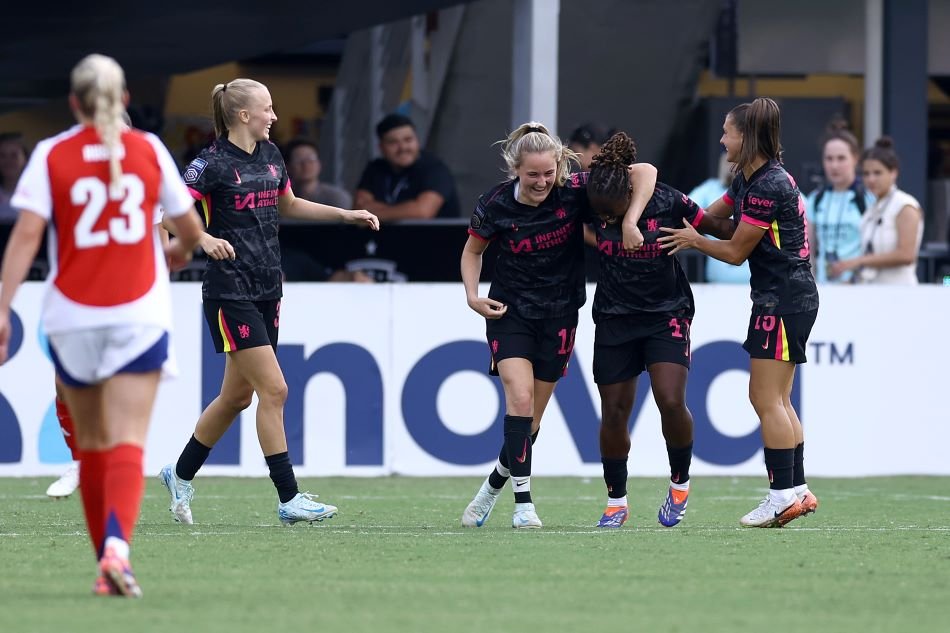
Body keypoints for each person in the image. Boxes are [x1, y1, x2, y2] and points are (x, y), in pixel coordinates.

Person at [0, 54, 203, 596]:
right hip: (138, 313)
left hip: (71, 315)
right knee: (128, 442)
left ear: (73, 102)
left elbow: (24, 237)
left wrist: (2, 307)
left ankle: (107, 566)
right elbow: (190, 231)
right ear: (125, 99)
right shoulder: (148, 150)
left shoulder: (51, 154)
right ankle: (118, 549)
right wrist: (175, 256)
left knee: (90, 446)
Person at [158, 78, 379, 527]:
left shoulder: (272, 156)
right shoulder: (211, 164)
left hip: (266, 288)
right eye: (268, 109)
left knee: (235, 398)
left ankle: (178, 474)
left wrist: (344, 215)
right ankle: (289, 498)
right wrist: (201, 237)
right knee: (274, 390)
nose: (274, 117)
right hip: (228, 292)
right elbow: (168, 217)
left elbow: (289, 205)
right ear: (244, 115)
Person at [459, 121, 657, 529]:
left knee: (529, 425)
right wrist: (472, 295)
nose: (542, 182)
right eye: (533, 174)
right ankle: (523, 506)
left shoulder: (572, 188)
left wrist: (631, 220)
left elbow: (644, 172)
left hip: (561, 315)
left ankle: (490, 489)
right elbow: (472, 252)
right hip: (510, 315)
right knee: (520, 401)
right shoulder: (495, 204)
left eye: (548, 173)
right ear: (515, 169)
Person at [658, 97, 819, 528]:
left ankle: (781, 495)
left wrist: (691, 240)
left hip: (783, 298)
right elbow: (711, 216)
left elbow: (733, 251)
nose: (723, 139)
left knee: (765, 398)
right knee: (778, 399)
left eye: (728, 132)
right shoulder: (749, 178)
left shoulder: (768, 185)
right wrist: (668, 210)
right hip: (784, 297)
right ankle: (797, 489)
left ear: (746, 137)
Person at [585, 132, 733, 528]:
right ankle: (616, 501)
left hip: (665, 312)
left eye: (612, 217)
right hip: (615, 316)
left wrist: (754, 226)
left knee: (670, 399)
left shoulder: (667, 199)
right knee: (614, 413)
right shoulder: (594, 191)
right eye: (601, 220)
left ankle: (680, 484)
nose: (605, 223)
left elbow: (716, 226)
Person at [829, 137, 923, 285]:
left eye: (878, 173)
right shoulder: (872, 208)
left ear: (893, 173)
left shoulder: (905, 205)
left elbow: (906, 255)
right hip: (873, 294)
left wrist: (857, 261)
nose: (871, 179)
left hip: (901, 294)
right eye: (866, 174)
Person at [354, 113, 460, 220]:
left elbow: (422, 212)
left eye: (408, 140)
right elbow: (358, 209)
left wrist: (375, 211)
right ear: (381, 147)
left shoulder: (435, 169)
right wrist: (407, 209)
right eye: (393, 142)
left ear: (417, 141)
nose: (403, 147)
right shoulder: (375, 168)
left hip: (435, 236)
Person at [806, 121, 873, 283]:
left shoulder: (868, 197)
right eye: (829, 159)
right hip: (824, 289)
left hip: (861, 289)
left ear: (855, 159)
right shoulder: (816, 198)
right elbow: (808, 250)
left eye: (841, 158)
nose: (834, 165)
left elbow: (875, 248)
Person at [689, 152, 751, 284]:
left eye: (734, 160)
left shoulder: (763, 188)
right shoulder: (709, 189)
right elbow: (686, 209)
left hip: (757, 281)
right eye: (727, 161)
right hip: (717, 282)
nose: (730, 166)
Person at [282, 138, 352, 208]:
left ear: (319, 163)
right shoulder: (282, 198)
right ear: (287, 167)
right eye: (298, 160)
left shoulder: (337, 198)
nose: (306, 165)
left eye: (311, 159)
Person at [0, 133, 29, 222]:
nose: (8, 161)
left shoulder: (37, 194)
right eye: (2, 155)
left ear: (25, 159)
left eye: (14, 155)